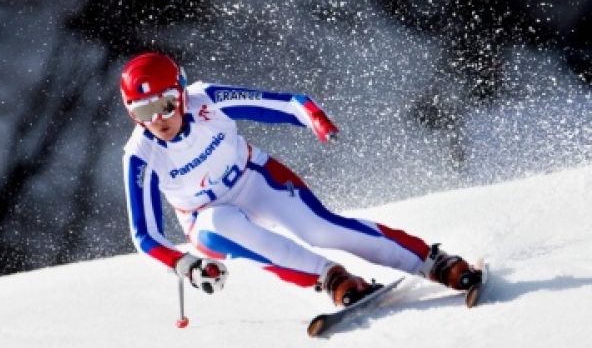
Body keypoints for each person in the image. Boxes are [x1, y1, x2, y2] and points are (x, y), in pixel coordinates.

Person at [120, 51, 482, 307]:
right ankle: (332, 278)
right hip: (205, 218)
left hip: (253, 178)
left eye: (165, 104)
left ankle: (431, 261)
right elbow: (145, 235)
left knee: (320, 229)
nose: (157, 119)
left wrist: (314, 118)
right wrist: (187, 265)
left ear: (181, 93)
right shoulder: (141, 156)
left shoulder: (207, 100)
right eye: (142, 111)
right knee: (225, 224)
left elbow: (285, 103)